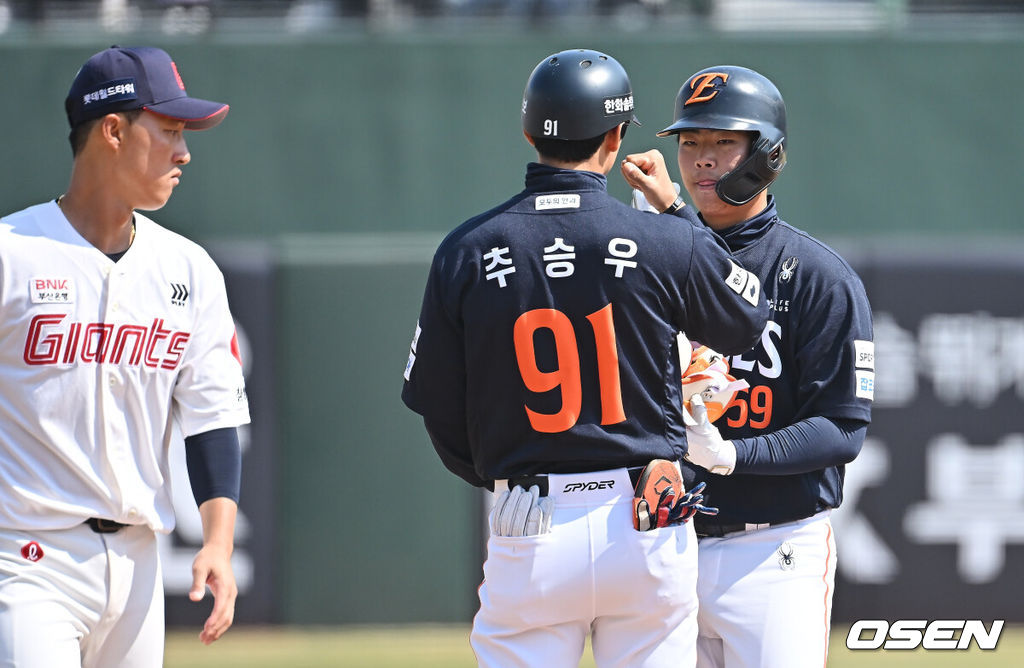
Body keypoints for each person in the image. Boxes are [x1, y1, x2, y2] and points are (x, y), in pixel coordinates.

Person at [401, 49, 768, 667]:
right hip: (647, 514)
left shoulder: (468, 248)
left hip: (531, 514)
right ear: (617, 136)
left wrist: (499, 475)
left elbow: (436, 404)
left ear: (527, 131)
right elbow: (747, 318)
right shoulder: (664, 239)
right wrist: (678, 211)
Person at [0, 46, 250, 666]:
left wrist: (218, 542)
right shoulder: (12, 254)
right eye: (168, 130)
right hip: (27, 558)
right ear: (113, 130)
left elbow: (212, 416)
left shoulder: (188, 269)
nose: (184, 152)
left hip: (140, 567)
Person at [622, 65, 874, 666]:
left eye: (723, 142)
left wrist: (736, 456)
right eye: (690, 143)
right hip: (661, 547)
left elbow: (842, 428)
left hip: (774, 551)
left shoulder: (817, 276)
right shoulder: (646, 260)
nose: (702, 159)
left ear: (766, 154)